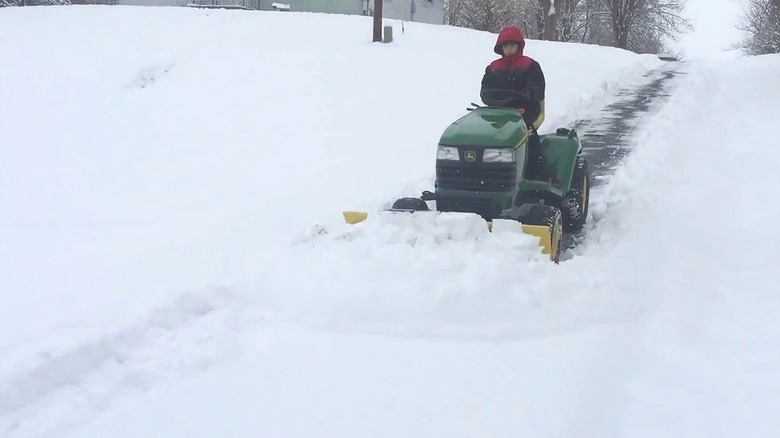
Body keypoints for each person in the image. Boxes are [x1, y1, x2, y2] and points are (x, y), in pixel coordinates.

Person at [480, 26, 546, 177]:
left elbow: (536, 90)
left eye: (512, 45)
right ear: (500, 47)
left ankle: (535, 174)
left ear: (519, 46)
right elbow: (485, 91)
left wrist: (523, 100)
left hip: (525, 110)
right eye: (505, 46)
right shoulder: (493, 67)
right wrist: (497, 102)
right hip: (497, 110)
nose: (508, 49)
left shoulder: (530, 66)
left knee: (528, 134)